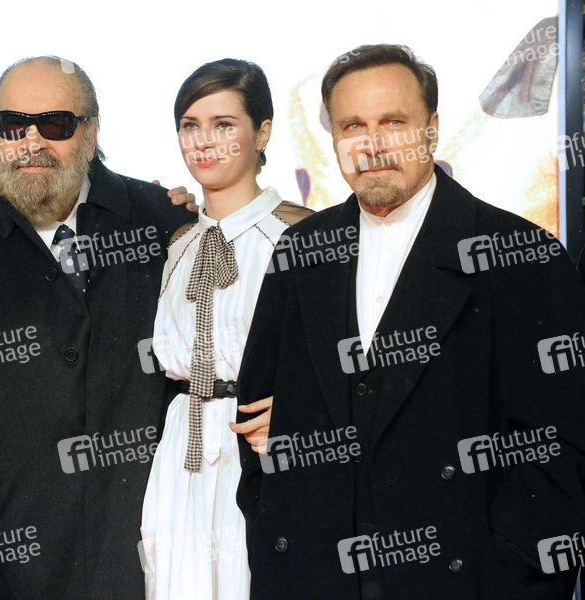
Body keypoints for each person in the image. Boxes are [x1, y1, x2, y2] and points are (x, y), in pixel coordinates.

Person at [236, 44, 585, 599]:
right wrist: (274, 540)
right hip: (316, 578)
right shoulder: (300, 251)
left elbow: (560, 448)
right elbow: (257, 419)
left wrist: (510, 574)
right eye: (353, 126)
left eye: (393, 123)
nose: (372, 145)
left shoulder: (521, 256)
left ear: (433, 130)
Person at [0, 55, 196, 600]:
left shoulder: (163, 221)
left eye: (54, 125)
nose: (31, 142)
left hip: (148, 552)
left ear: (91, 135)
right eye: (13, 126)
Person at [139, 59, 311, 600]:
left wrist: (300, 413)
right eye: (190, 125)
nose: (204, 141)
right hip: (181, 452)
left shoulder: (302, 234)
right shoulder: (177, 244)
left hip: (262, 449)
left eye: (224, 124)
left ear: (262, 132)